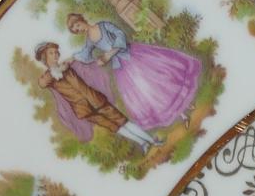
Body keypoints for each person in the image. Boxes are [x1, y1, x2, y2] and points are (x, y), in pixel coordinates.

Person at [65, 13, 200, 131]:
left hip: (132, 56)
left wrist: (110, 53)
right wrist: (72, 58)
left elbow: (120, 35)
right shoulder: (89, 40)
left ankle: (185, 105)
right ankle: (182, 115)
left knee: (158, 81)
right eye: (76, 30)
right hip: (121, 68)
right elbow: (85, 53)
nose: (79, 29)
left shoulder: (103, 25)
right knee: (146, 92)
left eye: (78, 25)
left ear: (81, 20)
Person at [32, 42, 160, 151]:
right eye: (51, 53)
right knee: (113, 127)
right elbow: (42, 83)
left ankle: (152, 140)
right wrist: (57, 70)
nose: (55, 55)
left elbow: (83, 57)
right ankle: (143, 143)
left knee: (122, 120)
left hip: (95, 99)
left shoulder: (67, 65)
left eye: (56, 52)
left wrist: (66, 64)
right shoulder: (47, 77)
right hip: (84, 109)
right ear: (44, 57)